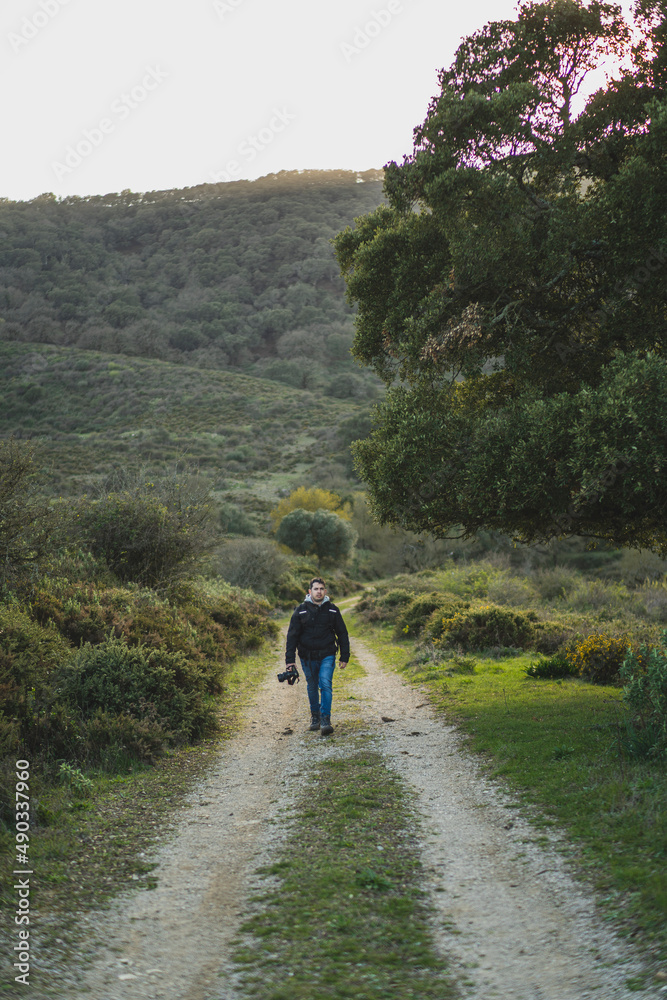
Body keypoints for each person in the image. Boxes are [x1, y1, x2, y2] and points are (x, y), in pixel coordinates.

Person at [285, 577, 350, 735]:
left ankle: (325, 719)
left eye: (321, 589)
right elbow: (292, 636)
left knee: (325, 684)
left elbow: (342, 633)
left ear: (325, 591)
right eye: (316, 589)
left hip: (327, 654)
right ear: (310, 591)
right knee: (312, 686)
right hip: (307, 656)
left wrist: (344, 656)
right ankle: (315, 718)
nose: (319, 591)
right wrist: (290, 661)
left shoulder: (333, 610)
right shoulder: (300, 610)